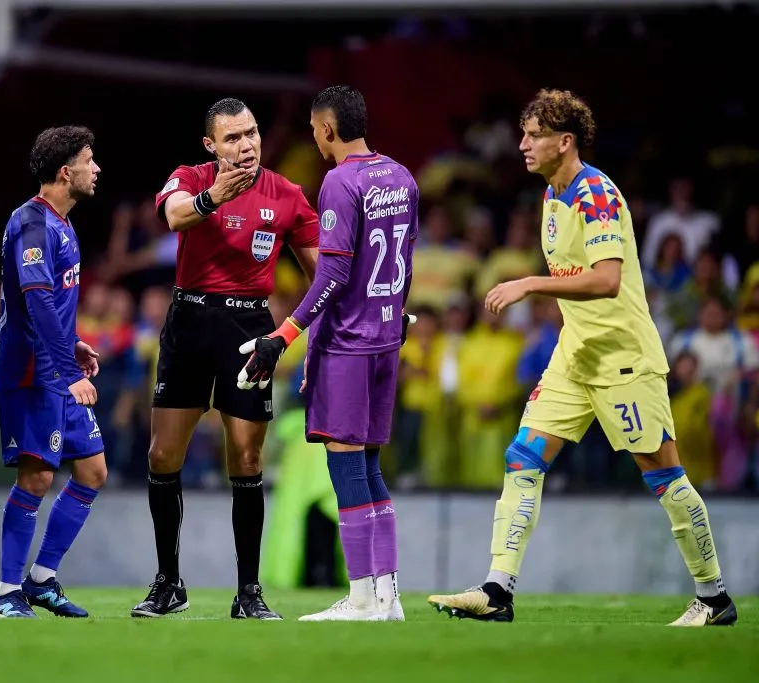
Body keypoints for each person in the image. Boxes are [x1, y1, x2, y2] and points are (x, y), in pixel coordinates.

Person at [427, 88, 737, 627]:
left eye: (534, 135)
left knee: (664, 477)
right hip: (576, 355)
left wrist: (530, 283)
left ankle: (713, 598)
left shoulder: (596, 193)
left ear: (564, 142)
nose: (522, 144)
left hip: (624, 359)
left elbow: (607, 279)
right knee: (523, 457)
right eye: (523, 133)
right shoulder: (551, 195)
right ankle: (498, 588)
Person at [130, 97, 319, 620]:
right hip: (188, 321)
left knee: (247, 458)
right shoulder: (190, 178)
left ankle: (249, 592)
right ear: (211, 146)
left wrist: (294, 333)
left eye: (252, 133)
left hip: (248, 328)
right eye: (233, 137)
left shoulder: (286, 194)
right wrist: (214, 196)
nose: (247, 144)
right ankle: (169, 583)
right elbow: (173, 217)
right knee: (162, 457)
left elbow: (321, 277)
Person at [238, 85, 418, 621]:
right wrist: (398, 316)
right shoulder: (402, 177)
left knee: (346, 467)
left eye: (316, 131)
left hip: (349, 343)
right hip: (387, 338)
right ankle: (387, 596)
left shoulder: (341, 182)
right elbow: (405, 260)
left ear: (326, 129)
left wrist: (284, 336)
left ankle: (362, 597)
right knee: (369, 465)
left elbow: (333, 273)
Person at [0, 126, 106, 619]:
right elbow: (35, 301)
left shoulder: (62, 223)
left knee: (93, 470)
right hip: (34, 375)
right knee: (36, 479)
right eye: (89, 159)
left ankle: (41, 579)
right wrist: (67, 370)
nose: (96, 168)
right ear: (65, 171)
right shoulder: (32, 224)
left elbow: (47, 303)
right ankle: (5, 591)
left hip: (57, 369)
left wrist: (72, 341)